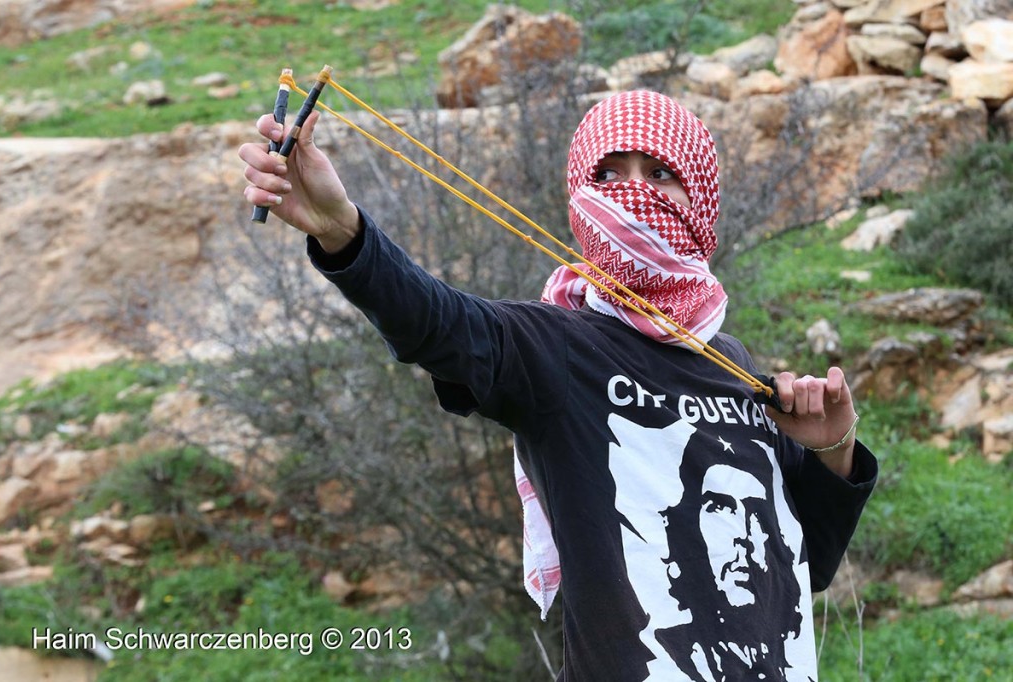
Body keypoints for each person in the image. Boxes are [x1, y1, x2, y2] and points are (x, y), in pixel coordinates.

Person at [239, 89, 877, 682]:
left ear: (700, 198)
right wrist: (342, 230)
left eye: (659, 174)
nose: (634, 194)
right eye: (609, 175)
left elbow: (803, 569)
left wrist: (831, 454)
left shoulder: (731, 363)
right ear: (580, 194)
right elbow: (434, 323)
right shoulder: (555, 347)